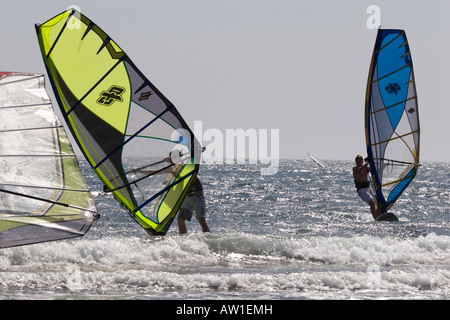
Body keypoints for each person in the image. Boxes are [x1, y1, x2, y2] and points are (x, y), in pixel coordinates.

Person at [133, 152, 210, 234]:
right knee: (180, 220)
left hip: (197, 197)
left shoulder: (187, 167)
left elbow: (184, 178)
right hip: (186, 198)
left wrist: (172, 165)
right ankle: (183, 238)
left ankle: (208, 239)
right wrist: (140, 171)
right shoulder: (173, 167)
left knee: (201, 219)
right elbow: (157, 172)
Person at [353, 155, 381, 220]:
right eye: (356, 161)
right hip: (361, 190)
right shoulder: (355, 169)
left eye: (359, 161)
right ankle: (375, 219)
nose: (357, 163)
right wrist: (367, 163)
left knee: (379, 203)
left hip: (368, 189)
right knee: (372, 203)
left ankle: (379, 217)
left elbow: (373, 170)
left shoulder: (366, 168)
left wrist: (372, 162)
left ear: (362, 161)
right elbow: (359, 170)